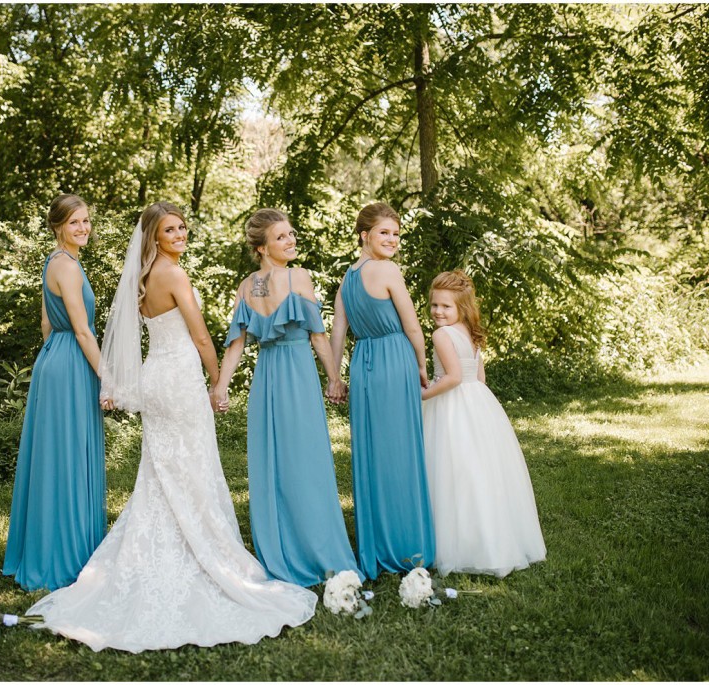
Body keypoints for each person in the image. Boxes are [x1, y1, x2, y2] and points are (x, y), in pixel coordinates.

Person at [26, 202, 316, 653]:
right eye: (170, 229)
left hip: (156, 376)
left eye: (182, 227)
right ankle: (204, 553)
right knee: (192, 467)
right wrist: (219, 380)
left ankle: (157, 552)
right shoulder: (192, 276)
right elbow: (204, 336)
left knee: (162, 473)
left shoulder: (145, 276)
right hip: (180, 379)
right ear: (155, 237)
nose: (180, 234)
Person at [213, 208, 363, 588]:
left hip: (267, 378)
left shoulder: (248, 286)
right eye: (281, 237)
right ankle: (317, 547)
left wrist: (222, 385)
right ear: (262, 248)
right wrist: (333, 378)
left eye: (291, 234)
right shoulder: (299, 277)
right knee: (306, 459)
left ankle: (281, 548)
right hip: (295, 374)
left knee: (275, 461)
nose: (291, 240)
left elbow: (237, 346)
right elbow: (316, 335)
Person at [2, 194, 106, 592]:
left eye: (86, 221)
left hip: (54, 359)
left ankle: (47, 545)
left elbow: (47, 321)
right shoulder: (69, 268)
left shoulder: (56, 263)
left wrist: (52, 356)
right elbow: (82, 331)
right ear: (59, 226)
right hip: (71, 363)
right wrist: (106, 378)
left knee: (54, 456)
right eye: (75, 222)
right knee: (67, 455)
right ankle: (66, 555)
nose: (83, 228)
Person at [329, 202, 436, 579]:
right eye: (384, 233)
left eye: (396, 234)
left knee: (372, 452)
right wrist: (422, 365)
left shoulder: (348, 276)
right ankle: (408, 543)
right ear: (365, 235)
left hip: (364, 363)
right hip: (393, 357)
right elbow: (412, 327)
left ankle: (375, 543)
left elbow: (338, 331)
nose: (392, 240)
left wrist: (334, 376)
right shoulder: (387, 270)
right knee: (400, 450)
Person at [421, 270, 546, 577]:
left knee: (450, 471)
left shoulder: (441, 335)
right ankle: (492, 539)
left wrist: (422, 394)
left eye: (445, 307)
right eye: (434, 305)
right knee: (479, 471)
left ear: (461, 308)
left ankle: (456, 543)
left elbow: (450, 378)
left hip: (451, 405)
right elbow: (479, 378)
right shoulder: (468, 331)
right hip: (478, 404)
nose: (438, 311)